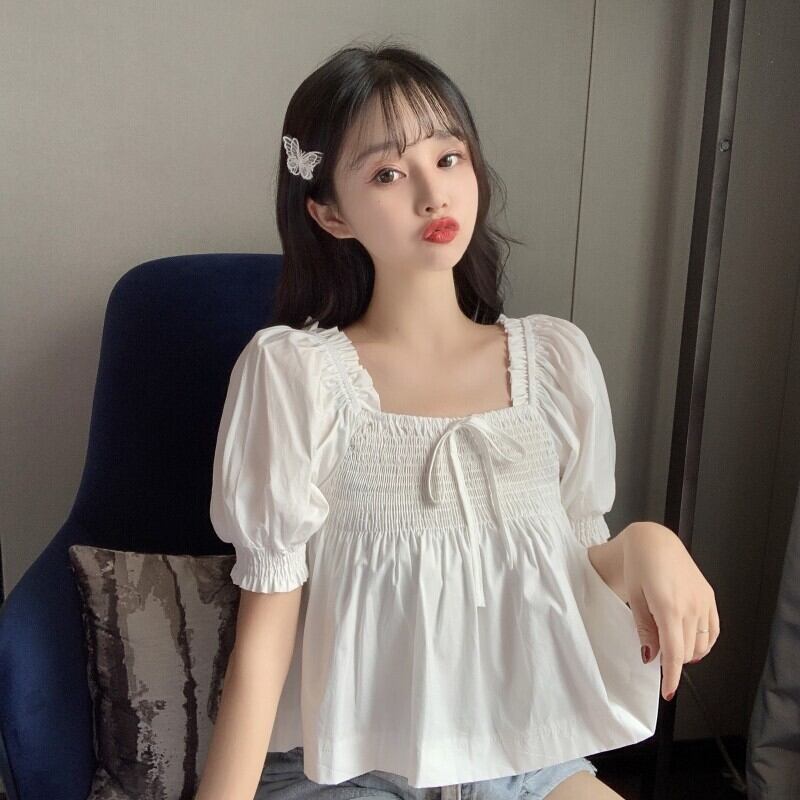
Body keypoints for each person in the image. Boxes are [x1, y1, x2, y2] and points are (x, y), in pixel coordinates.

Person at [197, 39, 717, 800]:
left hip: (522, 760)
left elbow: (569, 572)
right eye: (387, 173)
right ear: (330, 213)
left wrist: (647, 543)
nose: (432, 194)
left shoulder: (555, 362)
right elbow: (264, 641)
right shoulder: (296, 375)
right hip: (346, 768)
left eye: (448, 158)